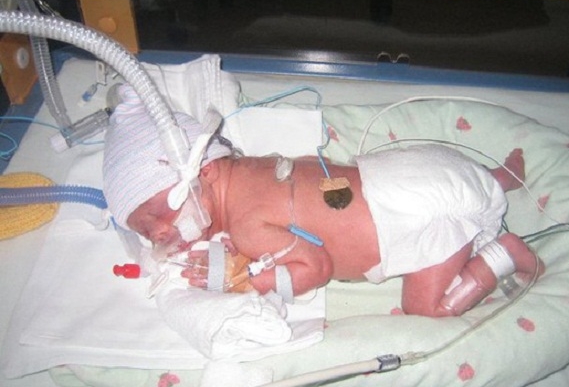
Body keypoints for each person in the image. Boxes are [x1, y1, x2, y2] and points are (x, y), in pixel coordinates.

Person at [104, 86, 544, 317]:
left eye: (153, 216)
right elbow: (313, 186)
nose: (158, 234)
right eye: (145, 233)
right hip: (416, 172)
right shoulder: (253, 167)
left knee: (423, 309)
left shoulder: (247, 227)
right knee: (444, 183)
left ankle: (504, 254)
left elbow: (316, 267)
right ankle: (498, 178)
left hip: (417, 222)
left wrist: (249, 284)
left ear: (203, 172)